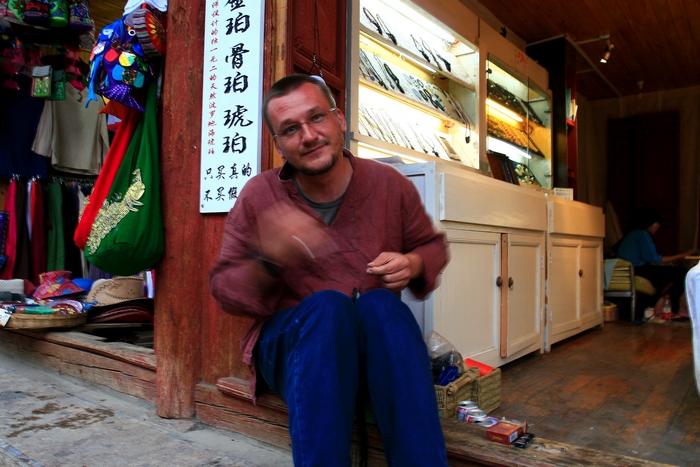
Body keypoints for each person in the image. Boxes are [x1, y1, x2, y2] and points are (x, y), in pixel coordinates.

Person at [209, 74, 450, 466]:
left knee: (383, 307)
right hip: (294, 348)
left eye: (317, 117)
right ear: (278, 144)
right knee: (328, 308)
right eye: (290, 129)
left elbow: (431, 245)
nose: (308, 136)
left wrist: (414, 262)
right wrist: (269, 258)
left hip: (373, 346)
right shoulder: (260, 195)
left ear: (338, 119)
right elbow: (225, 289)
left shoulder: (389, 185)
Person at [616, 207, 698, 313]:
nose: (658, 226)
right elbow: (656, 259)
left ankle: (664, 303)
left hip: (634, 269)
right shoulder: (641, 234)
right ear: (647, 222)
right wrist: (684, 255)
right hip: (638, 270)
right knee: (684, 274)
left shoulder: (633, 234)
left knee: (672, 273)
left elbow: (649, 259)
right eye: (656, 222)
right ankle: (663, 301)